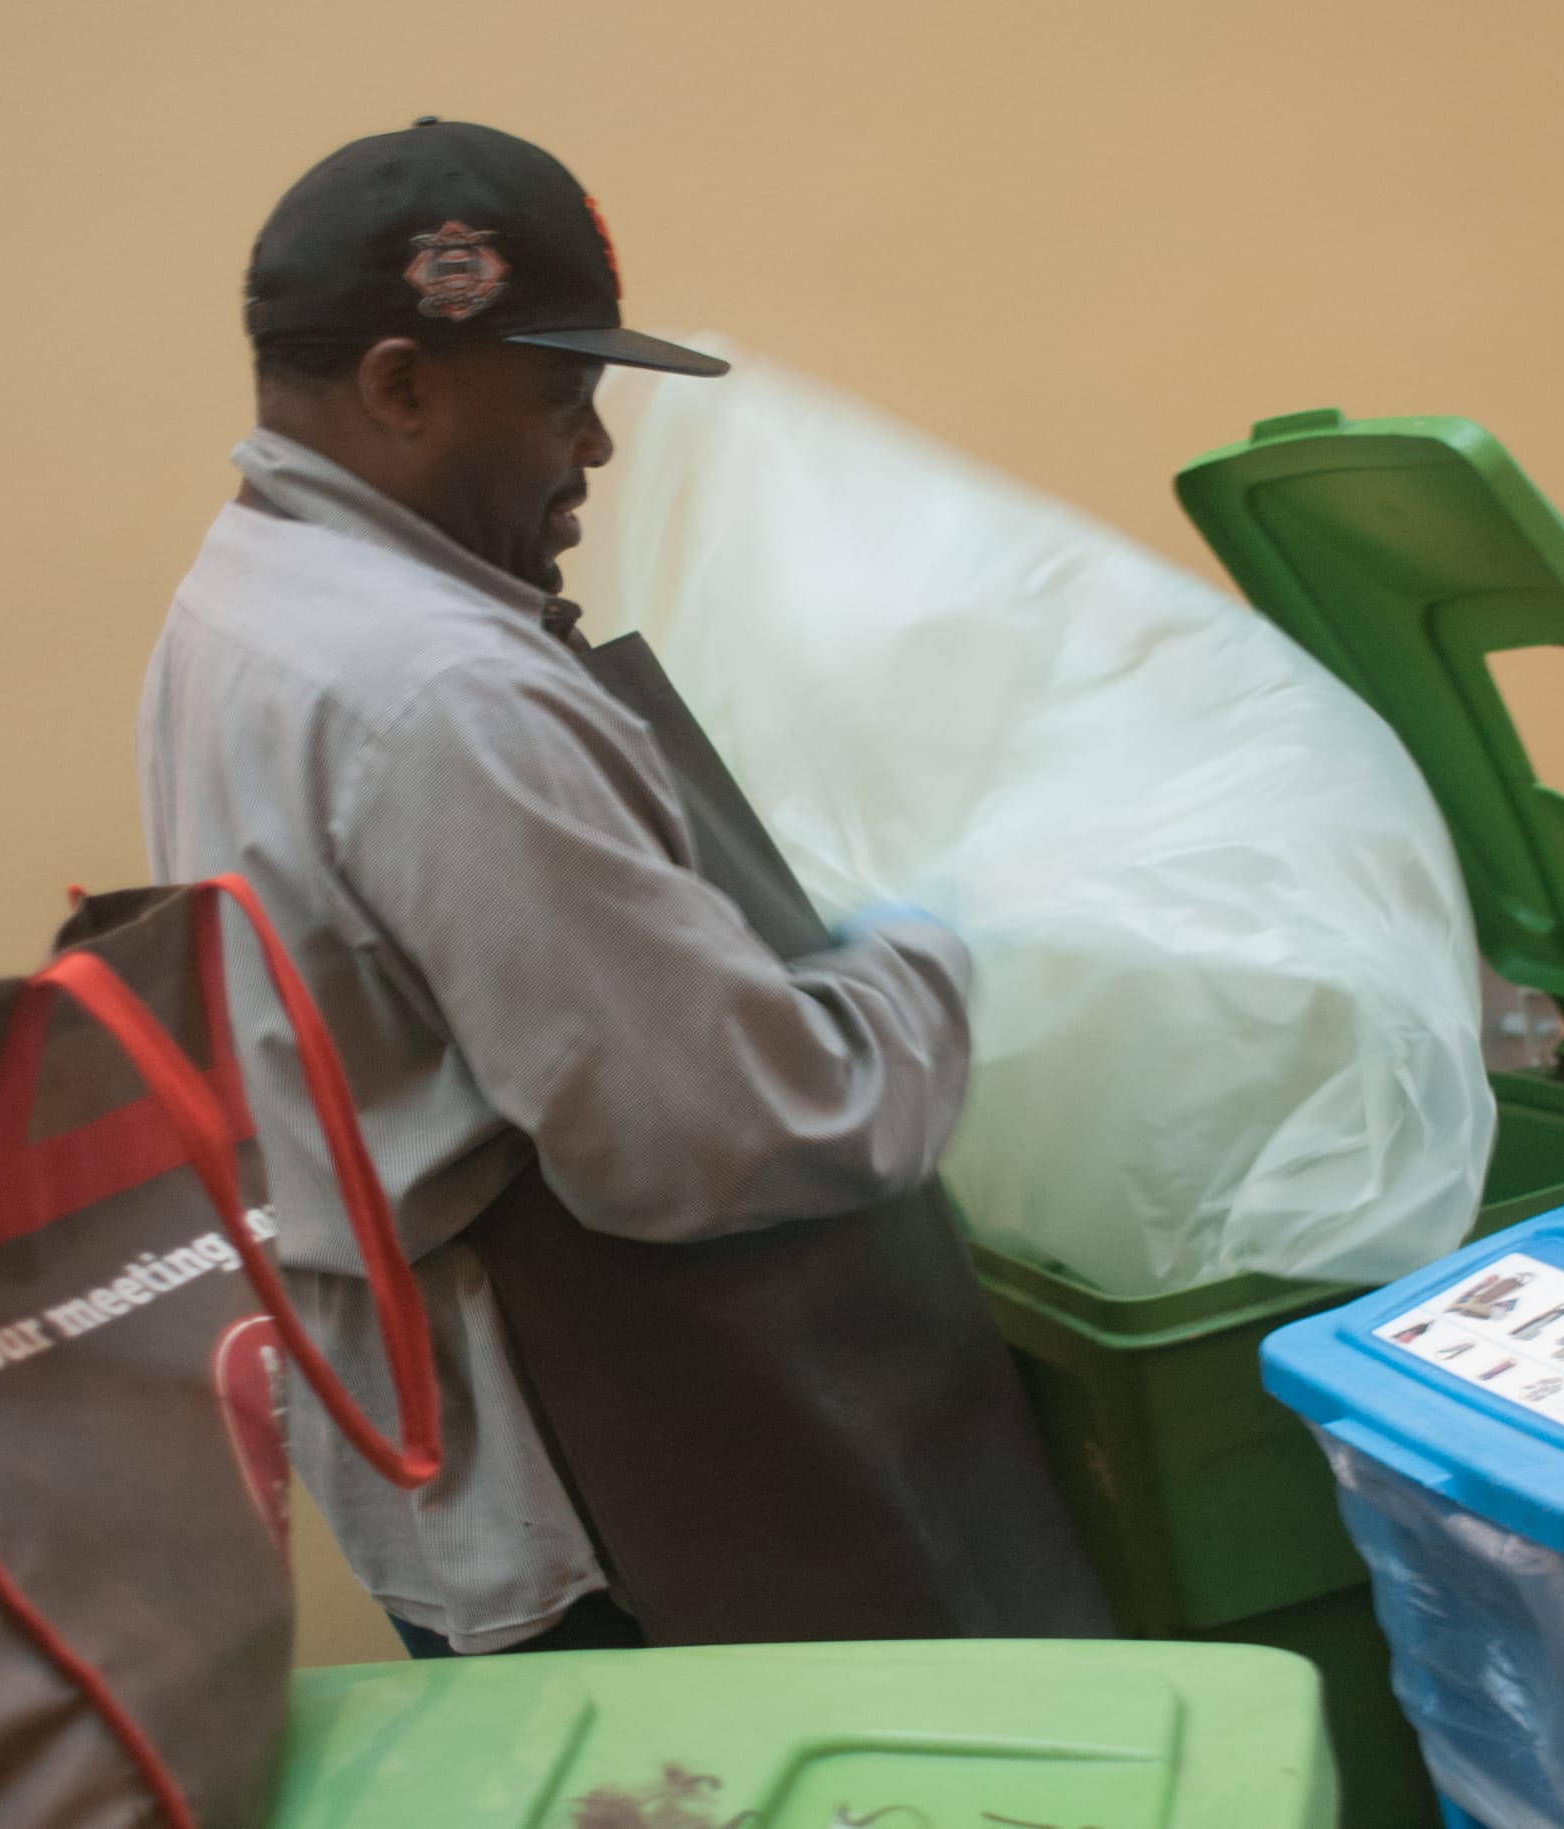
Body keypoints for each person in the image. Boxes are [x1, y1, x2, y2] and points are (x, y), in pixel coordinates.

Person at [140, 119, 1109, 1656]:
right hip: (593, 1467)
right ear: (400, 384)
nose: (592, 448)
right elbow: (711, 1134)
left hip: (412, 1422)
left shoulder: (246, 592)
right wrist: (924, 955)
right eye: (562, 397)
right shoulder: (442, 689)